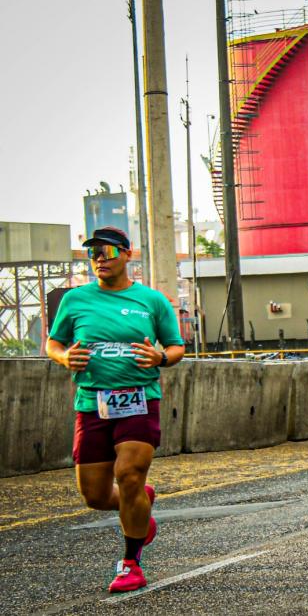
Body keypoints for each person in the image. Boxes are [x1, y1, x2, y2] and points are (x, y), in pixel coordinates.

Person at [46, 227, 185, 593]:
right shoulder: (75, 300)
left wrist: (160, 357)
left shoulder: (151, 301)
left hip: (139, 399)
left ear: (126, 254)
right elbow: (54, 342)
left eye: (107, 252)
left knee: (129, 474)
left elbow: (175, 347)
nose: (99, 259)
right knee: (94, 496)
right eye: (93, 254)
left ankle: (131, 563)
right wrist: (64, 357)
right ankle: (140, 505)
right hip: (92, 403)